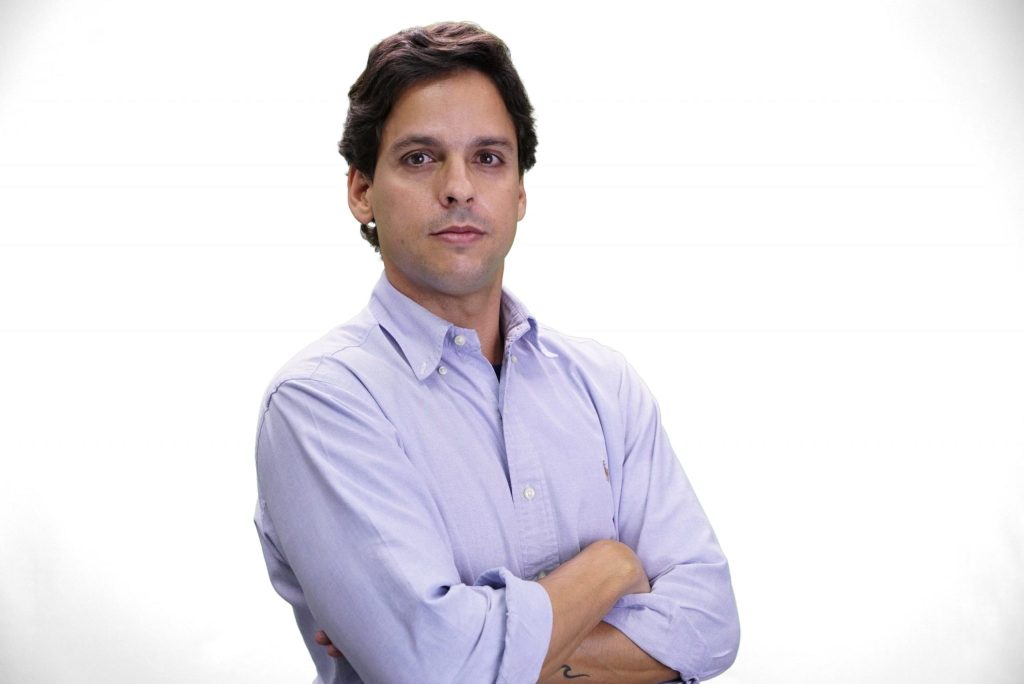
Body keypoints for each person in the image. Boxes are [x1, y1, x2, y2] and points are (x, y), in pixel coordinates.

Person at [254, 21, 739, 684]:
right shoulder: (320, 404)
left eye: (488, 158)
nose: (459, 187)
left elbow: (711, 624)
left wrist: (480, 646)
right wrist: (613, 567)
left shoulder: (606, 386)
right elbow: (438, 670)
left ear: (520, 191)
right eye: (419, 158)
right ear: (361, 191)